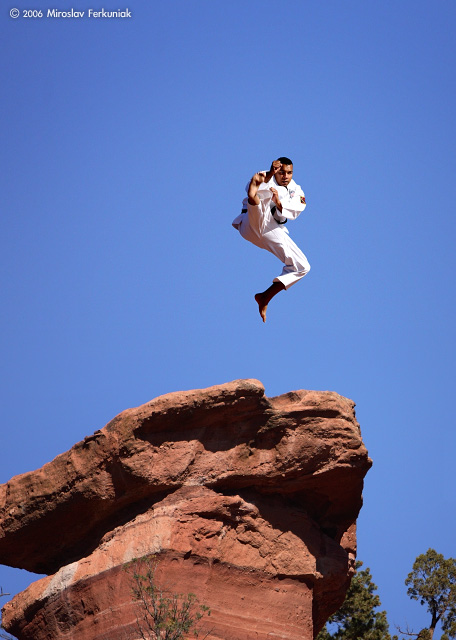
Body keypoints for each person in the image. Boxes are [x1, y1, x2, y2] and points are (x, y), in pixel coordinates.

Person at [232, 157, 310, 322]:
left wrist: (280, 203)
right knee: (261, 194)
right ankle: (254, 196)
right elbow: (252, 184)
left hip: (271, 231)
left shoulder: (296, 190)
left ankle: (265, 297)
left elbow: (299, 207)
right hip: (252, 222)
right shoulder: (268, 175)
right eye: (282, 172)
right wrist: (268, 176)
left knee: (303, 266)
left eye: (289, 173)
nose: (285, 176)